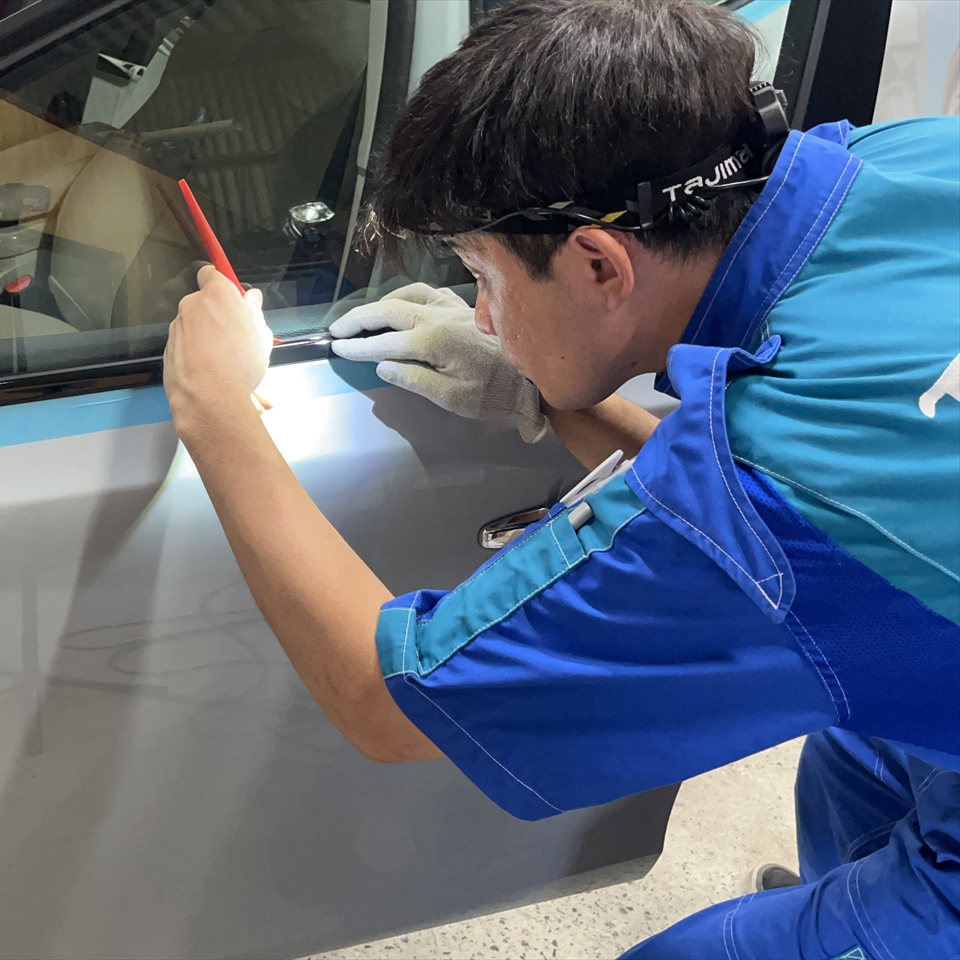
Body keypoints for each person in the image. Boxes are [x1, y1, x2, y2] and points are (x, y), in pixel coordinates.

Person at [161, 1, 959, 956]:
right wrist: (548, 393)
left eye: (484, 277)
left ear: (599, 263)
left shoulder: (768, 502)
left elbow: (386, 697)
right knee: (861, 753)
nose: (481, 319)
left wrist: (213, 406)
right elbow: (825, 504)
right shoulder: (906, 157)